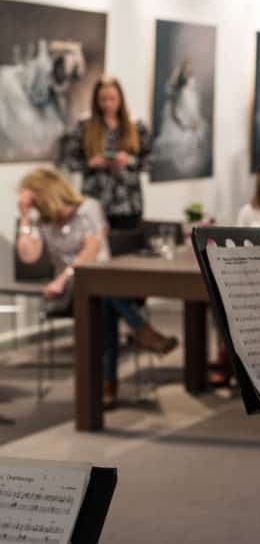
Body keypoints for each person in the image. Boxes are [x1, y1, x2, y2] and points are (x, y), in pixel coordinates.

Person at [16, 167, 178, 406]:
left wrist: (64, 277)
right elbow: (28, 256)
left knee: (103, 299)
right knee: (104, 294)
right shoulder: (42, 221)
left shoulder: (88, 208)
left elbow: (92, 251)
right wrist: (25, 218)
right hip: (69, 292)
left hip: (98, 281)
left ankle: (108, 384)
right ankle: (141, 331)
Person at [61, 76, 152, 229]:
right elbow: (69, 161)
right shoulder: (84, 127)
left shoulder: (136, 127)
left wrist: (128, 160)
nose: (108, 104)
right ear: (96, 101)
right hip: (95, 202)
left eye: (112, 99)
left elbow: (149, 161)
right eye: (103, 99)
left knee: (127, 242)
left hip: (129, 204)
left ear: (120, 99)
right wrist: (91, 163)